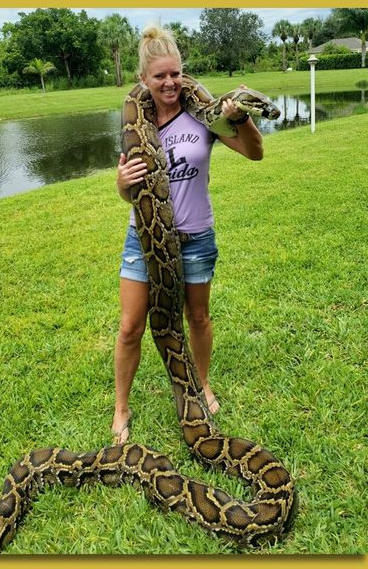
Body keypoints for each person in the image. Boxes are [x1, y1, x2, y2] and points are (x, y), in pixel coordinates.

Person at [111, 25, 265, 444]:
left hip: (195, 235)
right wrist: (121, 181)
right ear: (144, 79)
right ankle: (121, 406)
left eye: (175, 74)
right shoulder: (134, 122)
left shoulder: (203, 113)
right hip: (143, 239)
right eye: (160, 76)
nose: (170, 83)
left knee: (196, 317)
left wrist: (240, 118)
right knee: (130, 326)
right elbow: (129, 192)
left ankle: (200, 384)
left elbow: (255, 152)